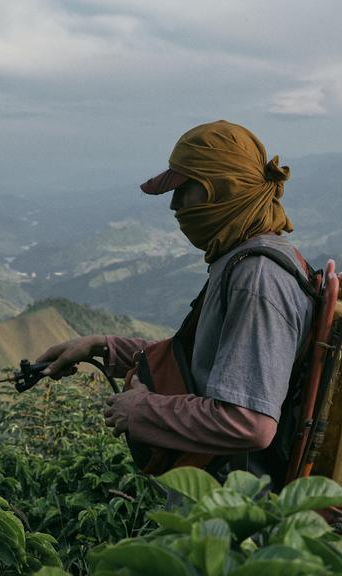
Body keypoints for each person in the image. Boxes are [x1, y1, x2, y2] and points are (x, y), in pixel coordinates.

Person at [37, 120, 314, 481]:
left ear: (222, 189)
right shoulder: (240, 258)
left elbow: (250, 422)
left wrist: (142, 411)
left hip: (238, 519)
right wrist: (101, 348)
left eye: (185, 190)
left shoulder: (257, 277)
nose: (174, 205)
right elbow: (206, 359)